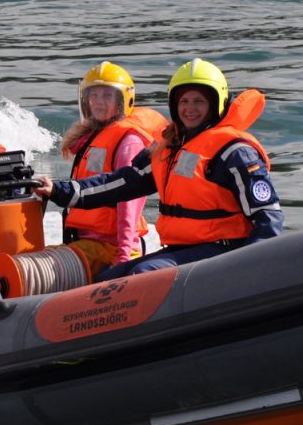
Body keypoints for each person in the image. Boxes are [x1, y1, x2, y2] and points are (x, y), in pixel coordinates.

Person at [36, 58, 282, 280]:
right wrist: (60, 190)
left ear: (216, 103)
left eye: (199, 101)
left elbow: (268, 216)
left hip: (225, 249)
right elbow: (124, 183)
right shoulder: (168, 147)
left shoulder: (235, 152)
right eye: (184, 101)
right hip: (181, 249)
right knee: (110, 279)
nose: (190, 108)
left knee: (143, 275)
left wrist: (251, 270)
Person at [59, 61, 167, 278]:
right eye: (94, 95)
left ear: (122, 100)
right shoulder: (93, 137)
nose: (99, 101)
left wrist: (123, 257)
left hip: (113, 249)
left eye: (107, 95)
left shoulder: (128, 142)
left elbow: (128, 203)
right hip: (86, 244)